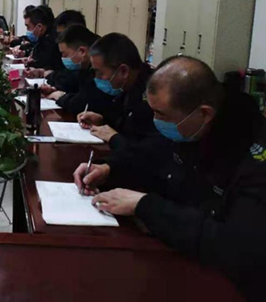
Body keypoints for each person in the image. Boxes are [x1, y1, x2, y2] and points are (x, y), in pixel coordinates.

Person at [73, 56, 266, 301]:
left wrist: (145, 205)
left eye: (160, 114)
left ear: (204, 113)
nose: (156, 122)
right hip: (176, 256)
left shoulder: (253, 157)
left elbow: (236, 248)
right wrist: (109, 168)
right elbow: (154, 154)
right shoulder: (191, 126)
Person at [65, 32, 156, 150]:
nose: (96, 78)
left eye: (100, 73)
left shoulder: (153, 95)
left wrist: (114, 138)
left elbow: (146, 150)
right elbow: (121, 118)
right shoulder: (129, 85)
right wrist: (102, 120)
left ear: (123, 71)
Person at [41, 25, 100, 96]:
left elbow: (86, 97)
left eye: (64, 54)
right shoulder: (83, 68)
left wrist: (62, 96)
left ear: (82, 51)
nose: (62, 58)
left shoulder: (99, 69)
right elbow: (71, 81)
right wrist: (54, 89)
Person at [25, 6, 62, 71]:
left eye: (28, 27)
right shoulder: (42, 37)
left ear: (39, 27)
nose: (27, 30)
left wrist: (33, 64)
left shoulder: (52, 41)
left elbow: (45, 64)